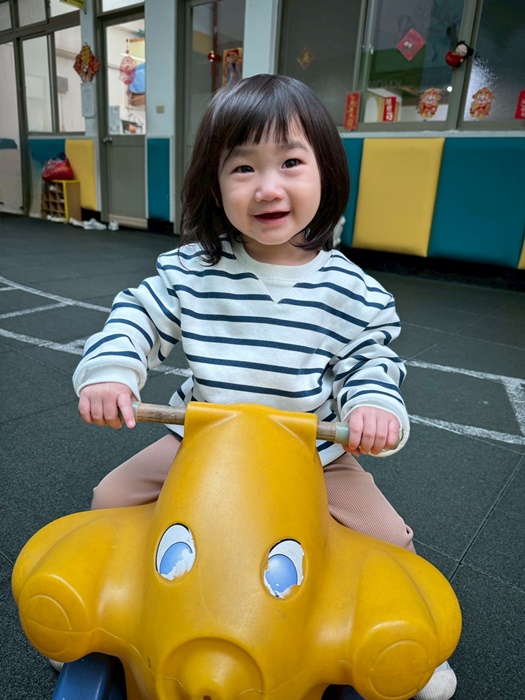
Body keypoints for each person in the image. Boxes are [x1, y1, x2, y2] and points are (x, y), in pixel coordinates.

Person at [73, 74, 456, 700]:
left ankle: (405, 636)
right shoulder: (192, 270)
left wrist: (372, 405)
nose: (268, 187)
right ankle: (102, 612)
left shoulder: (351, 291)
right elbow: (137, 318)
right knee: (110, 499)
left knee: (390, 539)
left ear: (326, 172)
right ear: (215, 184)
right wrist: (112, 371)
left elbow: (370, 361)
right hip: (197, 443)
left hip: (312, 455)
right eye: (243, 167)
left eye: (291, 163)